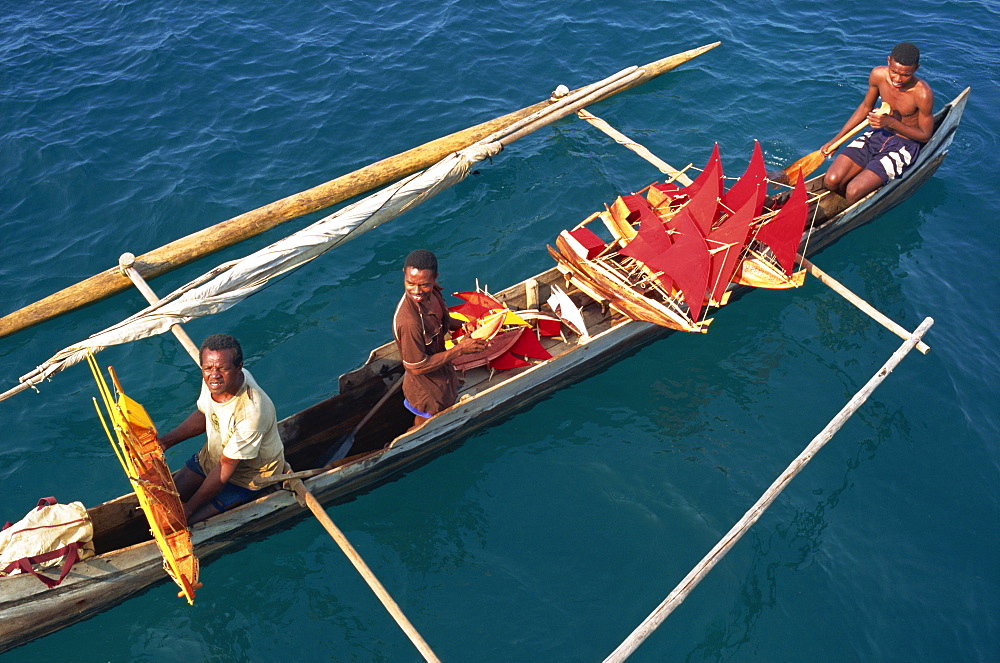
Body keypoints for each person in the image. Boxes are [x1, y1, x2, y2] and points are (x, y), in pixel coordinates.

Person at [158, 334, 285, 524]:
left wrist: (189, 510)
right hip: (213, 457)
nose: (214, 375)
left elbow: (226, 465)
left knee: (187, 524)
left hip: (248, 477)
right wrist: (164, 442)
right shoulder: (213, 380)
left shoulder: (252, 411)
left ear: (239, 367)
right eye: (208, 368)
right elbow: (204, 413)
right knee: (166, 498)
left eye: (223, 368)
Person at [822, 42, 934, 204]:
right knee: (831, 181)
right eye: (894, 71)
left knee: (853, 192)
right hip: (877, 135)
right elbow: (866, 107)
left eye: (905, 75)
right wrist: (837, 140)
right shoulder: (878, 75)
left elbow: (925, 136)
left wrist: (891, 122)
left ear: (916, 69)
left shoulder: (923, 93)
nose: (898, 79)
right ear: (888, 61)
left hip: (904, 145)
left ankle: (861, 200)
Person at [393, 249, 488, 430]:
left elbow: (442, 319)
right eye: (410, 283)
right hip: (427, 390)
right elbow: (417, 367)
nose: (417, 291)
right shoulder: (409, 322)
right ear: (404, 275)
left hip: (444, 374)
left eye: (424, 285)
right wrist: (460, 349)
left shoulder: (433, 294)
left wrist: (461, 325)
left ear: (435, 278)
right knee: (424, 424)